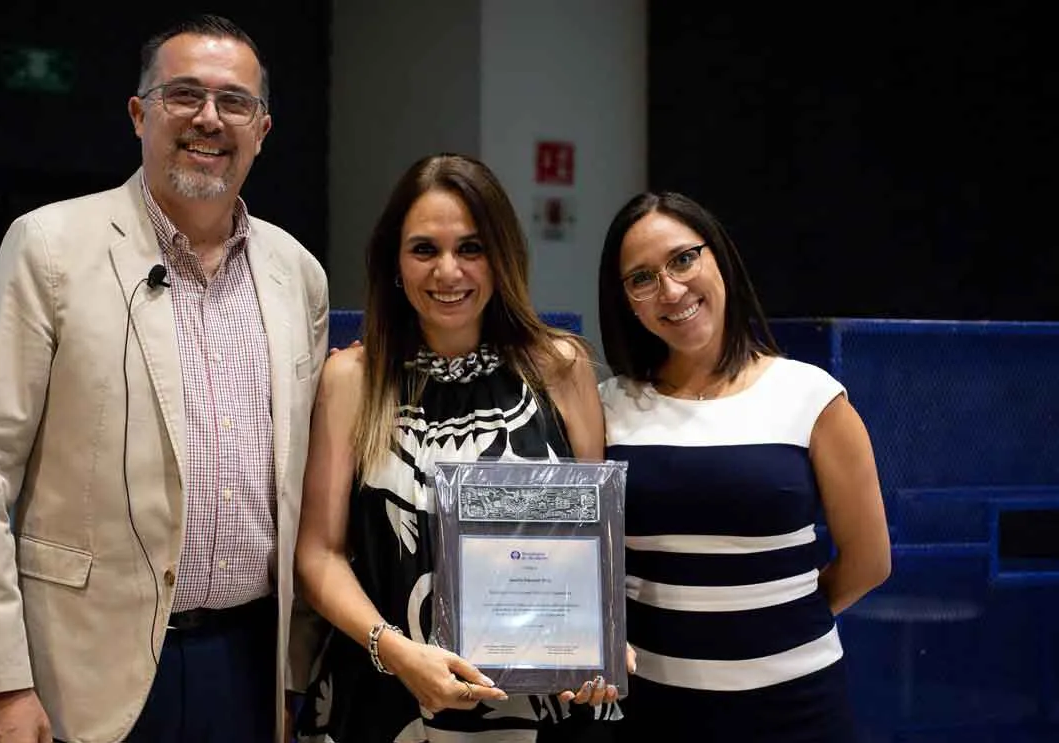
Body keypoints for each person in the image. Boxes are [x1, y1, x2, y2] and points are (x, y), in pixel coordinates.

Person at [0, 14, 328, 743]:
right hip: (80, 671)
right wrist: (3, 682)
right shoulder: (48, 247)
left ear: (263, 129)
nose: (209, 118)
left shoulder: (296, 274)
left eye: (234, 102)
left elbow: (301, 492)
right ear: (139, 114)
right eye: (184, 94)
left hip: (246, 665)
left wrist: (293, 672)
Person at [294, 153, 625, 743]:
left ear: (502, 259)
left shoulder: (561, 367)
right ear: (395, 263)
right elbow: (320, 553)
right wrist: (392, 650)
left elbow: (596, 548)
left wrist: (597, 642)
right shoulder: (352, 379)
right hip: (387, 697)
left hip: (540, 711)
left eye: (471, 248)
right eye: (424, 249)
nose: (448, 272)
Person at [595, 191, 892, 742]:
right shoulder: (607, 407)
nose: (671, 289)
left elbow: (869, 560)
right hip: (656, 710)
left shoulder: (811, 396)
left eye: (684, 259)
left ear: (720, 258)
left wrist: (776, 626)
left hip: (797, 706)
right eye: (642, 278)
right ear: (627, 301)